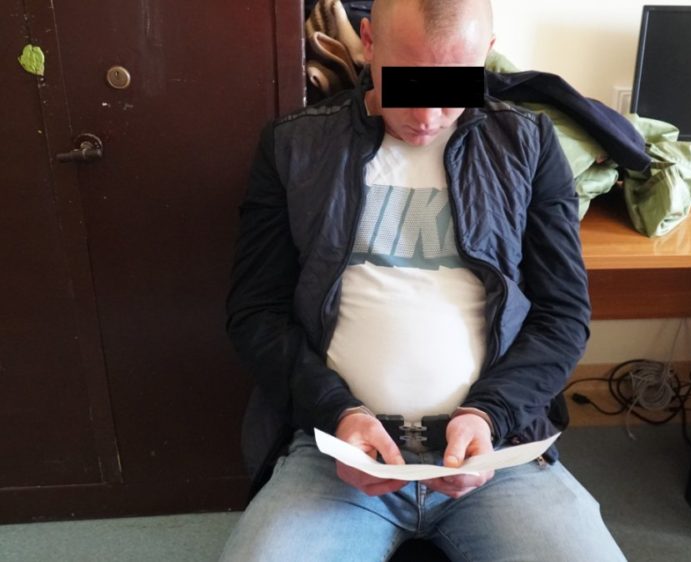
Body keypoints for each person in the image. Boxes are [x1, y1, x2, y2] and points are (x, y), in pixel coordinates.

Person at [220, 0, 627, 560]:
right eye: (406, 85)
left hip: (498, 449)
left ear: (483, 56)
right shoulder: (293, 146)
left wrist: (490, 415)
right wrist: (338, 412)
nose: (428, 116)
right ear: (368, 42)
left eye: (453, 88)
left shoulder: (529, 144)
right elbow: (256, 313)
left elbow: (563, 315)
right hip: (334, 448)